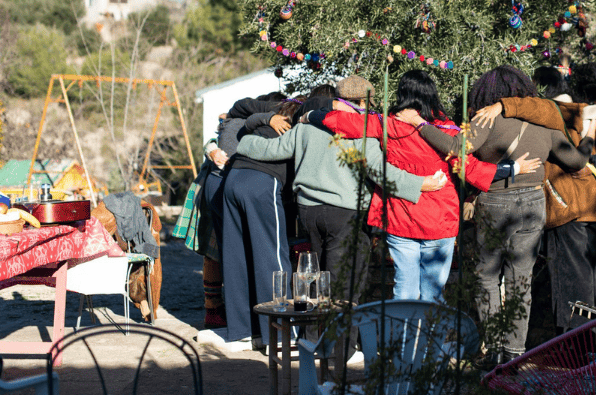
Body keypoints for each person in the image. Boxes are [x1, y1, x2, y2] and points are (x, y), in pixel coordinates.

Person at [396, 65, 596, 364]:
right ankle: (515, 353)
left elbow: (454, 147)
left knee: (487, 277)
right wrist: (590, 133)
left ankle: (494, 351)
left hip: (496, 202)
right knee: (521, 281)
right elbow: (577, 161)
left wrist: (420, 124)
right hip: (533, 204)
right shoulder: (545, 124)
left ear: (487, 92)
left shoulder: (487, 118)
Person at [236, 86, 446, 360]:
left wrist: (242, 142)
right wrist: (420, 184)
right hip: (347, 213)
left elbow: (269, 149)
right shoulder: (360, 131)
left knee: (318, 282)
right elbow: (379, 171)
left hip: (309, 212)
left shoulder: (305, 127)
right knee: (345, 286)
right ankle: (340, 351)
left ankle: (313, 342)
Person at [304, 71, 539, 303]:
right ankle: (433, 342)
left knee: (404, 291)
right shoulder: (447, 132)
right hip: (439, 222)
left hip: (401, 219)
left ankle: (405, 341)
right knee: (433, 294)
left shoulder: (385, 124)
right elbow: (472, 170)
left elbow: (342, 122)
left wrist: (310, 114)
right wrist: (513, 168)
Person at [471, 81, 596, 331]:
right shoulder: (580, 115)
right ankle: (593, 345)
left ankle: (573, 348)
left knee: (572, 285)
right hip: (594, 209)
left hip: (567, 210)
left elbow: (540, 107)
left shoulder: (550, 112)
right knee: (593, 283)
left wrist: (501, 105)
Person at [210, 97, 298, 351]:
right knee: (273, 258)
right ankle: (280, 337)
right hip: (262, 182)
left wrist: (265, 118)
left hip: (232, 180)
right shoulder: (299, 122)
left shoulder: (262, 118)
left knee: (237, 258)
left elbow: (241, 111)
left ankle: (242, 333)